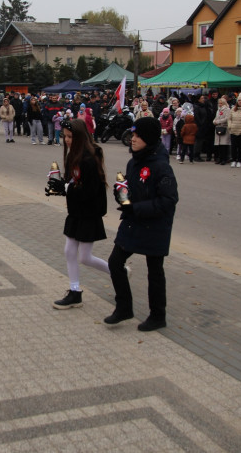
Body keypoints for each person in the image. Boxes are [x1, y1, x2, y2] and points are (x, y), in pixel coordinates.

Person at [104, 117, 178, 331]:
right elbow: (131, 186)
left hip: (155, 225)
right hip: (133, 222)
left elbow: (169, 200)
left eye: (137, 136)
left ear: (149, 138)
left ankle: (158, 315)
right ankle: (124, 308)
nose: (132, 139)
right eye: (132, 135)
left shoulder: (161, 166)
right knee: (115, 262)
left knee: (154, 270)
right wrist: (121, 193)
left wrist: (136, 208)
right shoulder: (134, 160)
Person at [48, 118, 110, 309]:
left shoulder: (89, 160)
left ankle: (118, 271)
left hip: (89, 213)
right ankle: (75, 292)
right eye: (65, 136)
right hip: (76, 212)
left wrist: (66, 188)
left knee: (84, 257)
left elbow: (89, 191)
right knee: (69, 251)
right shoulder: (73, 156)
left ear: (81, 136)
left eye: (70, 136)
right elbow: (74, 185)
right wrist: (60, 188)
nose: (66, 140)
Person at [212, 96, 231, 165]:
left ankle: (224, 159)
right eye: (219, 103)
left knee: (224, 145)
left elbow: (227, 118)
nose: (220, 105)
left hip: (224, 128)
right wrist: (214, 121)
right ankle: (219, 158)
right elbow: (216, 118)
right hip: (218, 128)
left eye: (221, 103)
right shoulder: (218, 110)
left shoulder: (227, 109)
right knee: (219, 145)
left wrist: (218, 121)